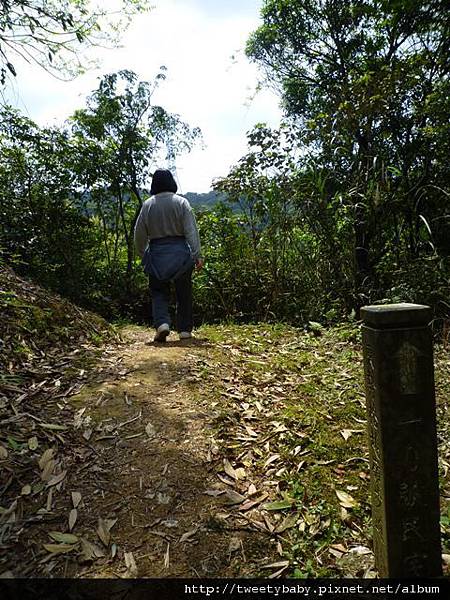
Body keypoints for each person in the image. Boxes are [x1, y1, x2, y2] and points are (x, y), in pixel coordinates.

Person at [134, 169, 203, 342]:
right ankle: (185, 330)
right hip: (180, 253)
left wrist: (142, 253)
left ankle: (162, 324)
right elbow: (191, 231)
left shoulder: (148, 205)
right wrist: (197, 255)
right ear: (172, 182)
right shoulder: (181, 202)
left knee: (158, 291)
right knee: (184, 291)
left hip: (157, 253)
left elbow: (139, 233)